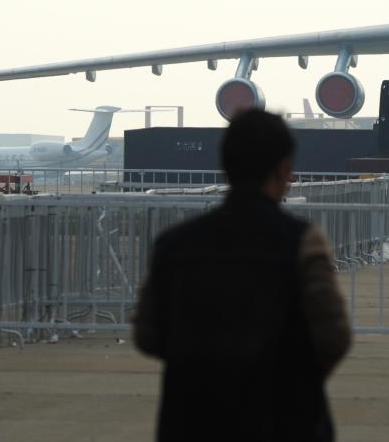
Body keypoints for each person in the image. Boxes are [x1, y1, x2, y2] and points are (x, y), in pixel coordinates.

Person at [133, 109, 351, 442]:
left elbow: (148, 335)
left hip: (191, 420)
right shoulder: (303, 242)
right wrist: (297, 381)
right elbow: (334, 336)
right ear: (283, 169)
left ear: (226, 166)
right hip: (286, 422)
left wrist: (199, 365)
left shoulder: (173, 245)